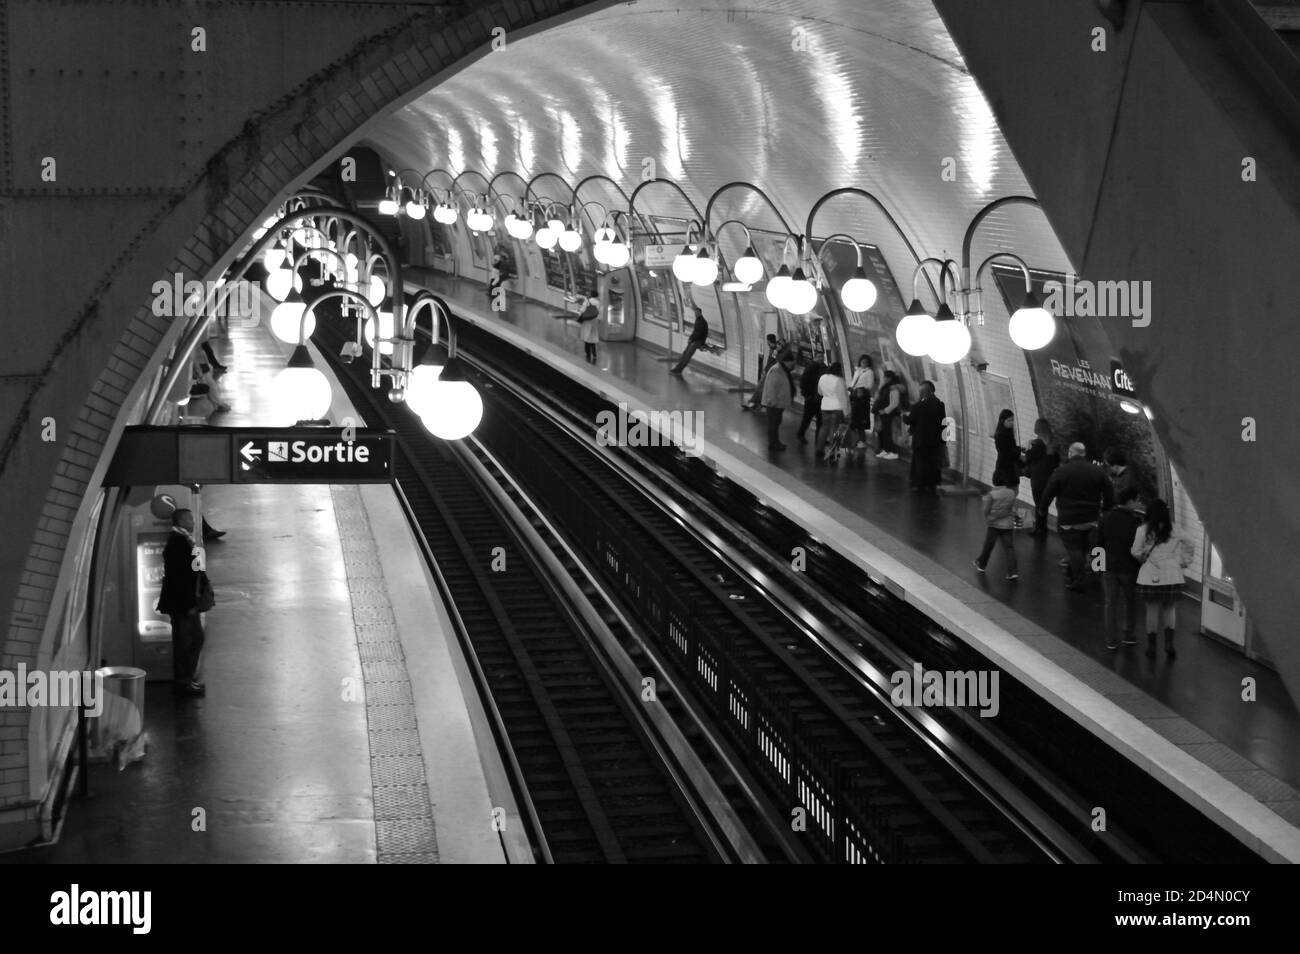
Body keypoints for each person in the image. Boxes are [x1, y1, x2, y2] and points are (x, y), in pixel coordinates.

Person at [1039, 442, 1114, 590]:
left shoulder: (1062, 471)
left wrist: (1042, 509)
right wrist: (1106, 509)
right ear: (1084, 454)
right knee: (1090, 546)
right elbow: (1109, 491)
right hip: (1092, 518)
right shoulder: (1097, 471)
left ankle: (1078, 579)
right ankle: (1097, 574)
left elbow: (1048, 492)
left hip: (1069, 519)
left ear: (1071, 453)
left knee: (1074, 549)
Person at [156, 509, 208, 697]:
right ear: (181, 520)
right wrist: (189, 603)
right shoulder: (178, 542)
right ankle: (184, 682)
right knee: (188, 641)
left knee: (191, 640)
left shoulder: (183, 540)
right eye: (190, 519)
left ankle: (187, 679)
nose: (193, 523)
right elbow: (180, 578)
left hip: (184, 603)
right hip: (183, 605)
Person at [1132, 498, 1193, 659]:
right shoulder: (1175, 529)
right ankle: (1169, 645)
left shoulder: (1143, 530)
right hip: (1172, 575)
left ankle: (1152, 647)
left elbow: (1135, 551)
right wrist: (1183, 561)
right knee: (1169, 609)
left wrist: (1142, 559)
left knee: (1151, 611)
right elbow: (1191, 543)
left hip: (1150, 575)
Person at [1097, 485, 1144, 650]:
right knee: (1130, 602)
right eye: (1137, 500)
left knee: (1110, 603)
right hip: (1128, 569)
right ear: (1130, 501)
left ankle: (1111, 640)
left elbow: (1099, 543)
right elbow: (1137, 547)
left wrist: (1098, 567)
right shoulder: (1134, 522)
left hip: (1108, 568)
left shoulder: (1106, 517)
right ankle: (1129, 635)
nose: (1138, 503)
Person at [973, 472, 1020, 580]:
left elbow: (985, 510)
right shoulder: (1011, 493)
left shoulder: (991, 495)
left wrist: (988, 518)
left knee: (988, 545)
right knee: (1009, 548)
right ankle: (1013, 571)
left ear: (994, 481)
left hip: (994, 524)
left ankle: (981, 564)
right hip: (1007, 524)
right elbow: (1013, 508)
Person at [906, 380, 946, 492]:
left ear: (922, 392)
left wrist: (904, 417)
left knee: (920, 462)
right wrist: (944, 441)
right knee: (932, 462)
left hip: (920, 440)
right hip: (935, 440)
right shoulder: (940, 405)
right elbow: (944, 422)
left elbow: (910, 420)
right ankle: (932, 484)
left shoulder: (918, 406)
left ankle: (920, 484)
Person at [1022, 418, 1060, 538]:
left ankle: (1040, 529)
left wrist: (1028, 446)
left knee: (1038, 504)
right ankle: (1042, 528)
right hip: (1049, 478)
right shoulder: (1054, 444)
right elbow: (1056, 462)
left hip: (1037, 478)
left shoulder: (1036, 444)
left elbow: (1028, 458)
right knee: (1044, 504)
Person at [761, 351, 796, 451]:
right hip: (774, 403)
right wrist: (772, 401)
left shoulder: (782, 369)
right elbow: (772, 387)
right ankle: (773, 444)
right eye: (792, 363)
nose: (793, 365)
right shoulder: (776, 370)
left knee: (776, 423)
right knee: (773, 424)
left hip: (778, 403)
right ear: (787, 361)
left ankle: (776, 442)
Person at [814, 362, 849, 459]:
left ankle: (819, 449)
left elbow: (819, 392)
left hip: (825, 406)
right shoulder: (839, 380)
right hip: (837, 407)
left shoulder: (822, 377)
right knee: (835, 430)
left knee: (823, 428)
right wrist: (846, 412)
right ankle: (833, 452)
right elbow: (843, 398)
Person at [745, 334, 784, 410]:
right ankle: (758, 403)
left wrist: (766, 370)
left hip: (770, 372)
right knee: (762, 388)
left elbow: (771, 361)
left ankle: (753, 402)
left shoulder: (774, 350)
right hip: (771, 372)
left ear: (769, 341)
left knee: (760, 386)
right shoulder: (774, 348)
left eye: (767, 340)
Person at [796, 356, 827, 443]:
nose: (820, 359)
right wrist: (806, 395)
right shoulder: (811, 368)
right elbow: (803, 382)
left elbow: (803, 382)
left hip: (818, 399)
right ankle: (801, 434)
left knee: (817, 420)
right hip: (814, 398)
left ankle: (819, 439)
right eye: (819, 357)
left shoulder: (823, 369)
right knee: (809, 419)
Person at [669, 306, 708, 374]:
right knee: (685, 354)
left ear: (700, 313)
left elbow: (698, 333)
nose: (695, 314)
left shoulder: (702, 322)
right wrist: (691, 338)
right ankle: (678, 368)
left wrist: (691, 339)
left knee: (687, 355)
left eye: (697, 313)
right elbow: (695, 332)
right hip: (695, 340)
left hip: (698, 341)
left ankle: (679, 370)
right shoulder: (698, 320)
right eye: (695, 313)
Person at [847, 355, 875, 449]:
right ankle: (855, 440)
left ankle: (862, 441)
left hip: (862, 398)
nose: (864, 364)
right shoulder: (857, 371)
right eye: (862, 362)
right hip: (855, 396)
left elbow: (870, 385)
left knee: (861, 420)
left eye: (866, 362)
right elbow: (853, 382)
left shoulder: (870, 372)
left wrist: (861, 389)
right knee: (854, 419)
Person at [873, 370, 902, 460]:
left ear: (889, 378)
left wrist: (885, 411)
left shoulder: (893, 388)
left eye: (885, 377)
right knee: (882, 432)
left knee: (889, 433)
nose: (884, 379)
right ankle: (885, 449)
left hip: (889, 414)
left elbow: (895, 402)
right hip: (881, 413)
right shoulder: (884, 387)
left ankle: (893, 451)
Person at [991, 409, 1023, 487]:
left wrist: (1020, 449)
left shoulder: (1008, 432)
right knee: (1009, 491)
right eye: (1009, 420)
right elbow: (1006, 453)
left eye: (1012, 420)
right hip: (1004, 469)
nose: (1012, 422)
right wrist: (1019, 452)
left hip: (1010, 467)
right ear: (1002, 421)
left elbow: (1011, 448)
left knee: (1013, 490)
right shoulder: (1000, 435)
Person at [576, 288, 600, 364]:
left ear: (591, 294)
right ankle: (594, 354)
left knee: (586, 338)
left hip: (587, 321)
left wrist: (579, 314)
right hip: (594, 320)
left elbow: (582, 310)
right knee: (593, 337)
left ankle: (588, 355)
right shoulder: (598, 302)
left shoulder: (587, 301)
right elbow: (597, 311)